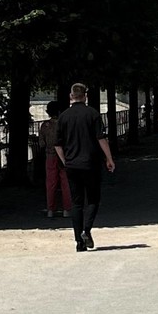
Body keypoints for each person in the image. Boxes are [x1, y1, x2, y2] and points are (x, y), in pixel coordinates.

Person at [55, 83, 116, 252]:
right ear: (85, 96)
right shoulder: (93, 114)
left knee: (76, 203)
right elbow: (101, 138)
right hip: (91, 163)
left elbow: (57, 145)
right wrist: (109, 158)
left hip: (72, 164)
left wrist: (65, 161)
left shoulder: (63, 117)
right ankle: (86, 230)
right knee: (93, 199)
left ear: (71, 96)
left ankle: (79, 242)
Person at [38, 101, 72, 218]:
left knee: (51, 183)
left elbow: (41, 143)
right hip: (64, 155)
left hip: (50, 155)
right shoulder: (65, 125)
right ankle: (67, 209)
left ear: (48, 112)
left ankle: (50, 210)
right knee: (65, 183)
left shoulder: (45, 126)